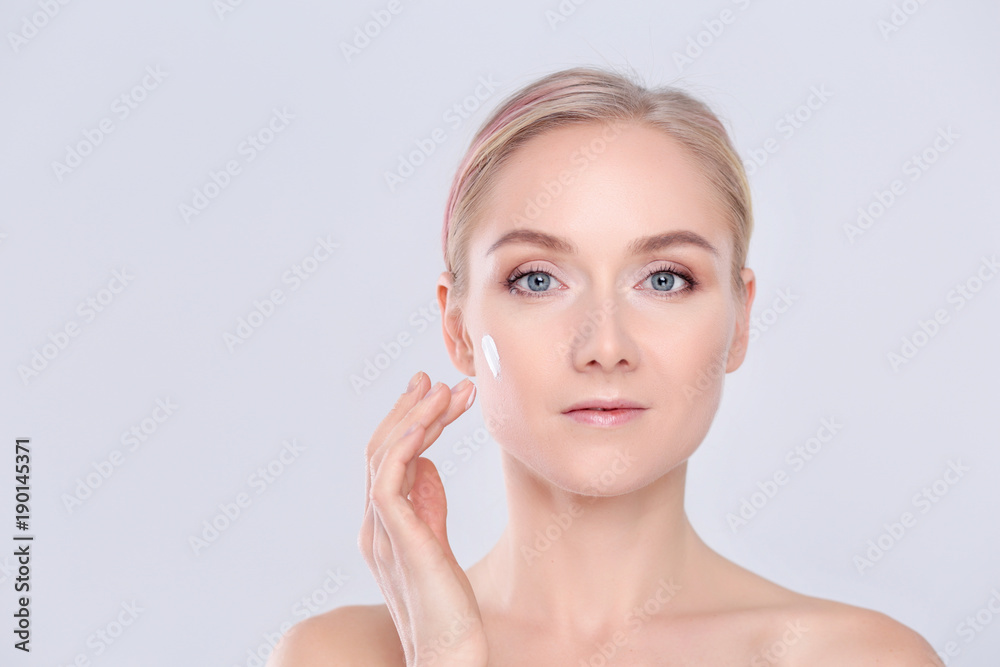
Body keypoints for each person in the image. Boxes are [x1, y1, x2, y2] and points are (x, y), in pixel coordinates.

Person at [268, 65, 940, 666]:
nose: (605, 344)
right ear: (458, 327)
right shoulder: (337, 657)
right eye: (536, 279)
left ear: (739, 320)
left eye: (666, 280)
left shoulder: (861, 658)